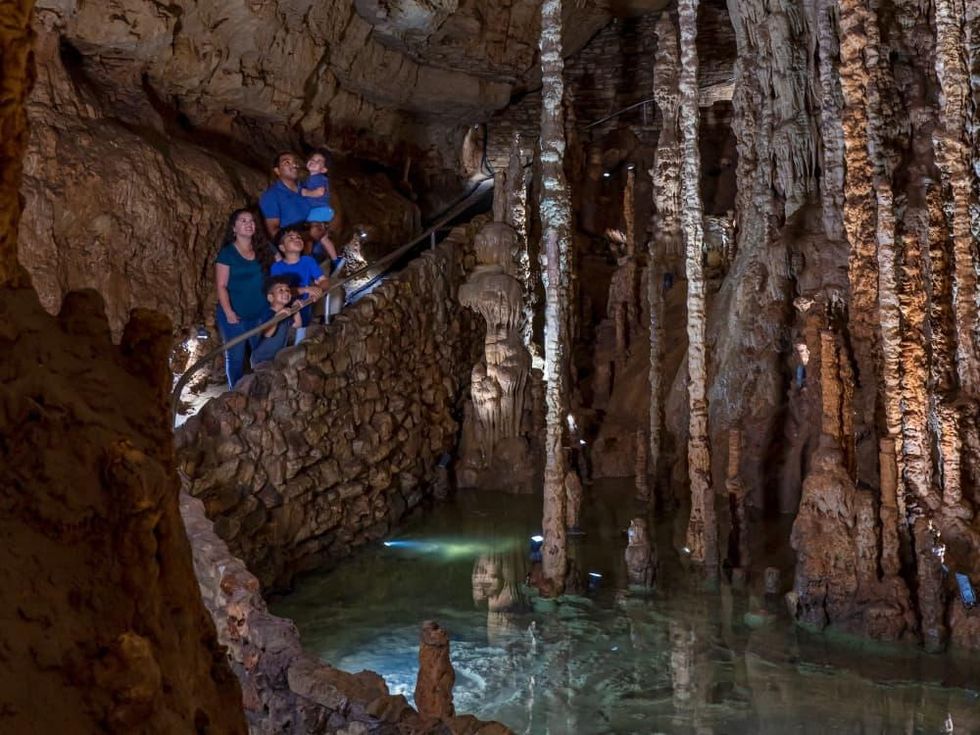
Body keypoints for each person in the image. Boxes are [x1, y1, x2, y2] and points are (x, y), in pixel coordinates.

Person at [259, 151, 343, 273]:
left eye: (295, 162)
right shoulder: (271, 196)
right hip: (299, 259)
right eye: (287, 162)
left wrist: (323, 226)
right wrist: (309, 235)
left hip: (322, 256)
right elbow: (274, 233)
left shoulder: (306, 188)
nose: (293, 165)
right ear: (277, 171)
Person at [215, 209, 270, 388]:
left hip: (259, 311)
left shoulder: (263, 248)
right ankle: (235, 393)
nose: (248, 223)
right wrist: (229, 312)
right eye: (243, 220)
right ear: (234, 228)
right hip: (234, 314)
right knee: (236, 357)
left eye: (251, 220)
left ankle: (260, 388)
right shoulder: (227, 253)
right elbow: (221, 285)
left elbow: (280, 268)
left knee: (260, 354)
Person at [270, 226, 327, 343]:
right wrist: (306, 290)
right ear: (282, 247)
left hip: (306, 306)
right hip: (286, 310)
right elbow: (280, 292)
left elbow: (323, 280)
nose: (297, 239)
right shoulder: (277, 268)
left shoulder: (308, 261)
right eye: (291, 238)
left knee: (302, 340)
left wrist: (319, 289)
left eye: (298, 237)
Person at [302, 150, 345, 275]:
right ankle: (335, 259)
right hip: (324, 211)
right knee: (324, 239)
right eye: (312, 159)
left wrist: (303, 192)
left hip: (318, 211)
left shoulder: (317, 178)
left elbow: (319, 192)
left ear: (323, 169)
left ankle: (308, 260)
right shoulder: (313, 178)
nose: (314, 162)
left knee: (309, 234)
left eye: (318, 161)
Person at [250, 276, 302, 368]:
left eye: (288, 290)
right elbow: (267, 334)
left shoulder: (285, 313)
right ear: (270, 297)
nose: (286, 292)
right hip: (261, 359)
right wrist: (277, 317)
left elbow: (297, 325)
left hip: (276, 358)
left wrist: (296, 310)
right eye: (280, 290)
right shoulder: (267, 313)